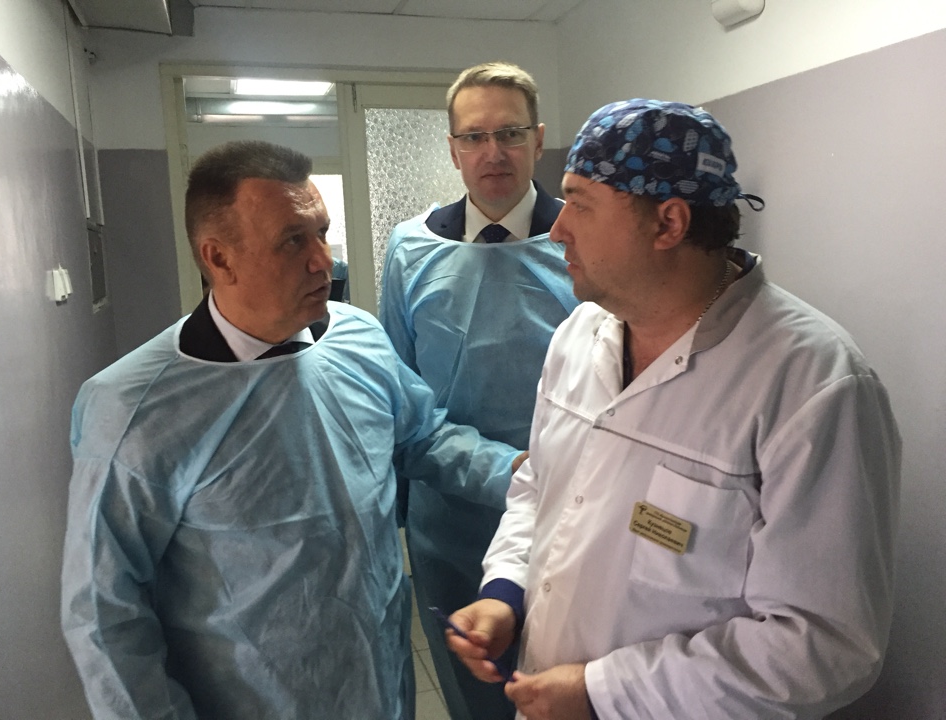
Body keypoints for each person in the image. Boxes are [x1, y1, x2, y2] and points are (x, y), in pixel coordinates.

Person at [447, 99, 902, 720]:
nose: (557, 230)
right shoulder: (579, 334)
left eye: (580, 204)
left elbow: (823, 643)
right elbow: (539, 487)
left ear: (668, 223)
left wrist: (603, 693)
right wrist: (507, 590)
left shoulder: (813, 385)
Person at [60, 140, 523, 720]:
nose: (323, 261)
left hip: (382, 686)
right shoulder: (135, 409)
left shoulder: (355, 339)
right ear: (219, 258)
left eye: (322, 233)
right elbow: (105, 613)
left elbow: (424, 438)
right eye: (292, 241)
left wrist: (525, 473)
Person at [379, 61, 577, 720]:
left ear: (538, 140)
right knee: (476, 694)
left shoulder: (583, 240)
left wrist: (544, 479)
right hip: (450, 525)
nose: (493, 152)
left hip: (569, 513)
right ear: (453, 149)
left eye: (510, 133)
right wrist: (503, 470)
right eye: (474, 137)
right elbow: (401, 400)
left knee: (562, 692)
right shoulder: (411, 250)